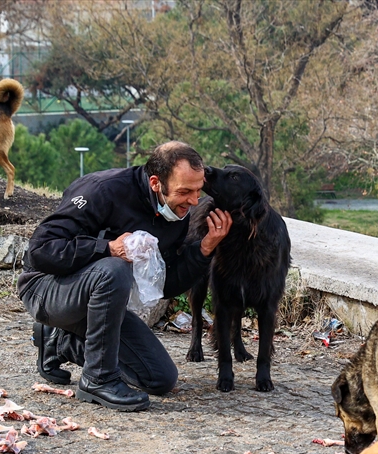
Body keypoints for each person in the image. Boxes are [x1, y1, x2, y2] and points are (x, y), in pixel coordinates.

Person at [17, 142, 232, 411]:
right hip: (46, 289)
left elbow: (163, 285)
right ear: (156, 182)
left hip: (102, 304)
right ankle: (98, 379)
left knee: (160, 378)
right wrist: (106, 248)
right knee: (113, 268)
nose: (193, 201)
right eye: (185, 191)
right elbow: (40, 250)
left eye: (198, 190)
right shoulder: (102, 190)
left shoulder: (177, 214)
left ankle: (60, 342)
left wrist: (204, 249)